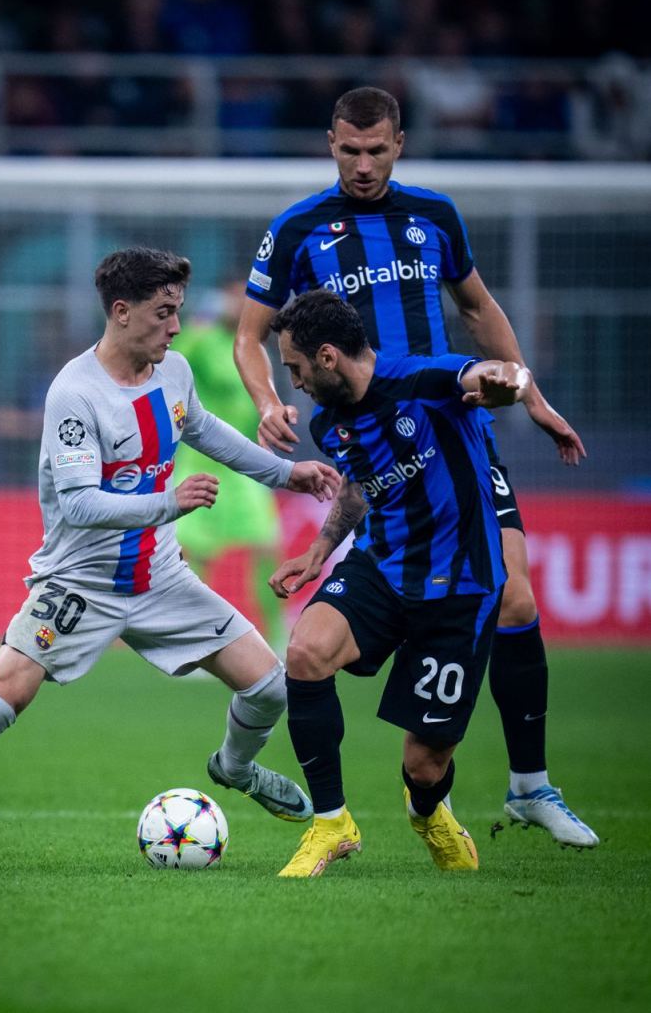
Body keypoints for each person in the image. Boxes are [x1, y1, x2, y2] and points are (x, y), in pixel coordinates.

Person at [0, 247, 340, 871]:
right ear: (121, 312)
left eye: (177, 311)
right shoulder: (75, 393)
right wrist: (168, 503)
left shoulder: (173, 371)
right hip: (80, 583)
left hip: (160, 576)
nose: (176, 327)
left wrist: (286, 473)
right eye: (163, 313)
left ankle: (234, 768)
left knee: (269, 687)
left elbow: (204, 430)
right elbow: (81, 504)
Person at [234, 86, 598, 849]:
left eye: (376, 150)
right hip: (369, 443)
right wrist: (268, 400)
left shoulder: (433, 215)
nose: (362, 165)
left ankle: (529, 785)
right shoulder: (297, 228)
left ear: (398, 143)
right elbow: (250, 335)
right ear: (329, 144)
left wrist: (530, 396)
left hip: (452, 426)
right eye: (348, 150)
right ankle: (410, 781)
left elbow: (478, 310)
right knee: (336, 630)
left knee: (516, 597)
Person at [268, 288, 530, 877]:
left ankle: (427, 811)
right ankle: (331, 823)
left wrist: (507, 382)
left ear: (328, 356)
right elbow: (361, 484)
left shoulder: (426, 379)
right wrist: (319, 551)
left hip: (461, 585)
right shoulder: (330, 423)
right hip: (382, 567)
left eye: (296, 367)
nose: (295, 382)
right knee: (306, 652)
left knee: (424, 766)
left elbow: (496, 374)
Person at [173, 279, 284, 645]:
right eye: (235, 298)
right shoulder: (202, 340)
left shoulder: (252, 349)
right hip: (201, 463)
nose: (241, 306)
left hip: (245, 466)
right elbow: (175, 357)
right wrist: (203, 317)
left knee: (268, 547)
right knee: (194, 556)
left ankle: (277, 636)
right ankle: (192, 638)